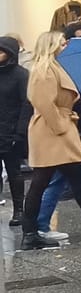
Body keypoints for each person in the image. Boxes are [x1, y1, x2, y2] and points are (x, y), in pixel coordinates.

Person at [21, 30, 81, 257]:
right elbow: (43, 102)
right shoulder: (45, 70)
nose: (65, 45)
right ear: (52, 45)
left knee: (49, 182)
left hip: (55, 130)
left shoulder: (51, 68)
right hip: (54, 131)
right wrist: (61, 127)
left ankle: (30, 233)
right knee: (64, 183)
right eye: (62, 42)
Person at [0, 35, 28, 216]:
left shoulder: (21, 75)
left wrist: (20, 133)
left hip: (11, 131)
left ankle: (19, 210)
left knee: (14, 172)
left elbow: (27, 104)